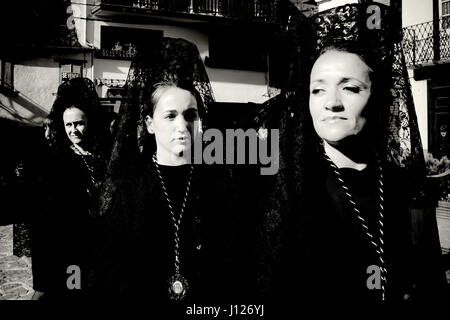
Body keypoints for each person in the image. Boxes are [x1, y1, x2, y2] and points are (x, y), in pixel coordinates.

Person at [256, 3, 446, 307]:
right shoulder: (287, 185)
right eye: (317, 90)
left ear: (379, 96)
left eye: (351, 88)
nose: (331, 103)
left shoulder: (399, 184)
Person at [93, 38, 237, 308]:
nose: (182, 125)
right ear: (149, 123)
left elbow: (230, 261)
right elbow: (114, 269)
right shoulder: (129, 187)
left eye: (190, 115)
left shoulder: (217, 182)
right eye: (170, 116)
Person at [31, 77, 111, 300]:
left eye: (79, 123)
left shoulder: (103, 157)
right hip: (68, 253)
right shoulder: (56, 162)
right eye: (68, 124)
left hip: (99, 250)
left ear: (90, 122)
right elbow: (43, 221)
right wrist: (43, 277)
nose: (74, 130)